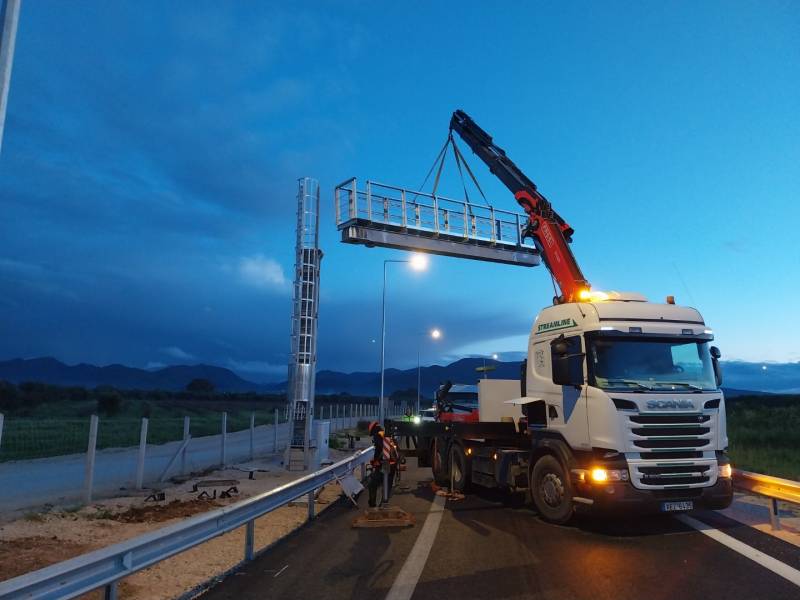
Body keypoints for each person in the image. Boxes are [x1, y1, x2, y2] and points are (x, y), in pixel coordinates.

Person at [367, 421, 398, 507]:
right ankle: (383, 504)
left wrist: (376, 461)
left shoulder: (377, 435)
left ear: (373, 430)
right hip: (392, 463)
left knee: (372, 483)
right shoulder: (385, 433)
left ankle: (372, 504)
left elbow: (383, 449)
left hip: (385, 463)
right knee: (387, 484)